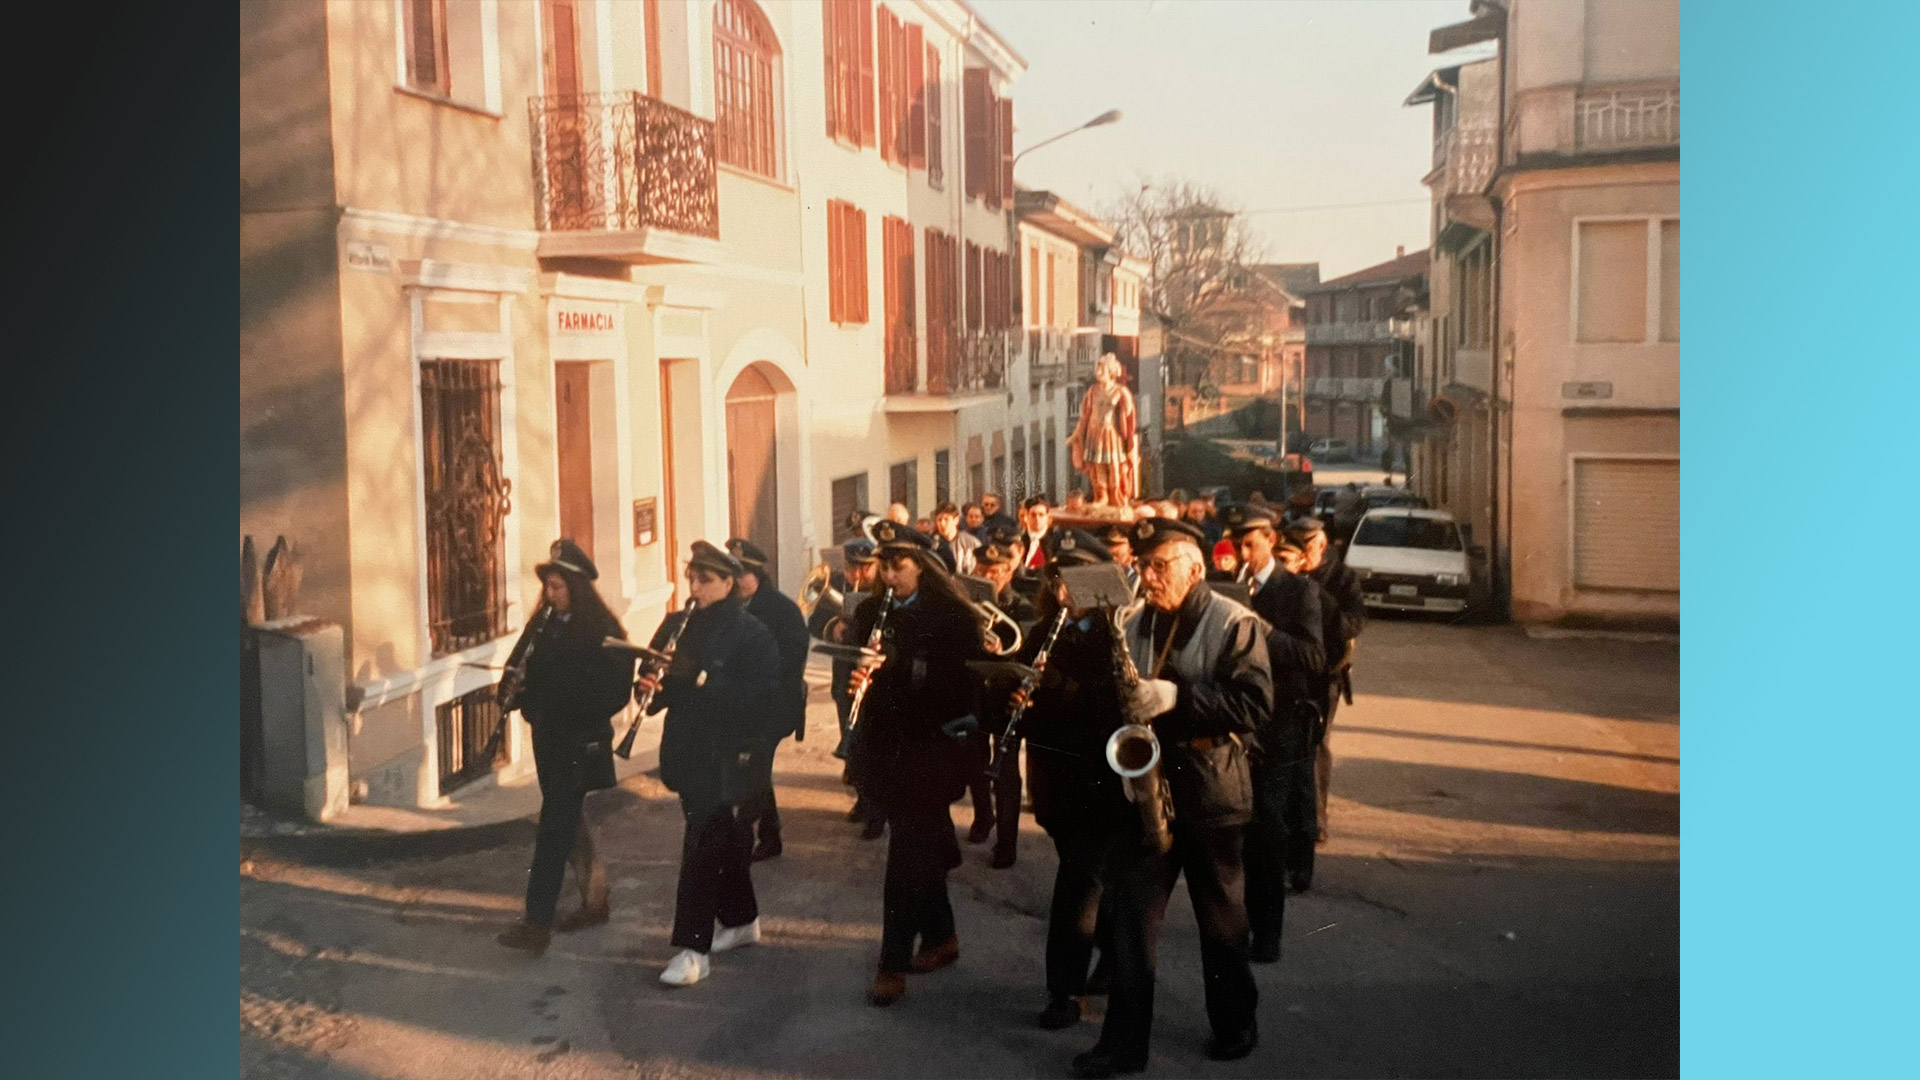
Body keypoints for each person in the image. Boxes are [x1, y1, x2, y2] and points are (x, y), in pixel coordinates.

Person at [1071, 518, 1272, 1079]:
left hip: (1210, 788)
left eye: (1161, 565)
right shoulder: (1134, 620)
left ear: (1196, 568)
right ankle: (1123, 1045)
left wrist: (1175, 697)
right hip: (1147, 790)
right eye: (1144, 565)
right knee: (1132, 922)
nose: (1148, 576)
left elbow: (1255, 705)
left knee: (1222, 920)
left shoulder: (1235, 621)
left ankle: (1235, 1024)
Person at [845, 521, 990, 1006]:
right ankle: (942, 937)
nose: (887, 576)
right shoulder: (870, 611)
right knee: (921, 847)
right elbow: (853, 669)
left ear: (923, 568)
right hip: (885, 749)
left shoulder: (952, 618)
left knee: (904, 857)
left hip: (932, 751)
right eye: (883, 566)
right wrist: (857, 676)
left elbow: (963, 689)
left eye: (898, 566)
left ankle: (891, 963)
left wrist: (902, 667)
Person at [635, 542, 783, 986]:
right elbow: (657, 687)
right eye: (691, 578)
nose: (695, 588)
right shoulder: (677, 624)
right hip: (687, 750)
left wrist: (698, 678)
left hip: (728, 756)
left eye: (705, 580)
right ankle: (741, 921)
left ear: (728, 583)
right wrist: (650, 686)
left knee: (701, 845)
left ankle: (692, 950)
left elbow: (760, 701)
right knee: (722, 840)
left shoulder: (751, 633)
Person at [495, 540, 637, 958]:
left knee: (554, 826)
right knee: (565, 819)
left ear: (576, 586)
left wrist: (566, 700)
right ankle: (596, 902)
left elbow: (615, 691)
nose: (552, 595)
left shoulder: (602, 630)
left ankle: (536, 922)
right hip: (549, 738)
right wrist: (515, 692)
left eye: (559, 587)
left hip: (580, 741)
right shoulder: (545, 622)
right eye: (549, 587)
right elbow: (520, 666)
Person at [1009, 529, 1127, 1031]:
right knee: (1090, 881)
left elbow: (1115, 706)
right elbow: (1034, 716)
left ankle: (1066, 991)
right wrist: (1016, 702)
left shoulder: (1115, 636)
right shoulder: (1042, 632)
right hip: (1054, 780)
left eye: (1073, 581)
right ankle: (1115, 956)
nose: (1062, 592)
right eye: (1057, 580)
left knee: (1078, 885)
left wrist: (1061, 687)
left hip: (1099, 780)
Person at [1224, 506, 1326, 963]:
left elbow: (1312, 657)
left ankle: (1267, 934)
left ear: (1271, 539)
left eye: (1252, 544)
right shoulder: (1227, 588)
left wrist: (1263, 633)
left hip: (1280, 726)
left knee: (1267, 830)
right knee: (1235, 830)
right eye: (1239, 546)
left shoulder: (1298, 591)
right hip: (1236, 722)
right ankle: (1235, 927)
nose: (1245, 554)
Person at [1286, 515, 1366, 889]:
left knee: (1315, 746)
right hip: (1290, 671)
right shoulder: (1287, 571)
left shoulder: (1342, 577)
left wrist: (1316, 595)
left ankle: (1316, 820)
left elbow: (1353, 624)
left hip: (1326, 674)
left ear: (1323, 542)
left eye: (1312, 542)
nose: (1307, 549)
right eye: (1300, 542)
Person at [725, 538, 811, 862]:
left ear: (758, 575)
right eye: (731, 574)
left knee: (756, 766)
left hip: (775, 704)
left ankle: (742, 836)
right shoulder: (730, 608)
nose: (736, 581)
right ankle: (770, 833)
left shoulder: (782, 610)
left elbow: (792, 661)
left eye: (742, 573)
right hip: (741, 706)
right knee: (753, 769)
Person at [967, 538, 1036, 865]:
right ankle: (983, 817)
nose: (987, 576)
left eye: (994, 571)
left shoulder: (1022, 608)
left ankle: (1007, 842)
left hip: (1007, 696)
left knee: (1006, 769)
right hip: (975, 694)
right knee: (975, 762)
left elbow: (1028, 655)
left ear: (1008, 571)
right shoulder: (967, 603)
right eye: (981, 569)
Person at [828, 538, 888, 841]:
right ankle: (864, 802)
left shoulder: (883, 595)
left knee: (872, 746)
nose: (858, 575)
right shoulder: (838, 585)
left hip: (873, 681)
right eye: (853, 568)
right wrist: (833, 627)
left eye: (865, 568)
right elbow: (816, 619)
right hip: (844, 678)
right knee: (853, 744)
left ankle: (876, 813)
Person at [1069, 353, 1140, 507]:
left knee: (1114, 465)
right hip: (1094, 434)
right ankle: (1101, 495)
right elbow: (1084, 415)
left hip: (1111, 435)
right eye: (1097, 368)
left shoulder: (1120, 391)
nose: (1098, 372)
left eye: (1101, 369)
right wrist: (1078, 434)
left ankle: (1116, 495)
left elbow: (1129, 416)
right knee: (1097, 466)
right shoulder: (1092, 391)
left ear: (1111, 372)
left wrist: (1129, 439)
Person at [931, 501, 981, 576]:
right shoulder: (932, 543)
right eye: (939, 520)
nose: (942, 523)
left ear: (956, 520)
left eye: (946, 519)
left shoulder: (971, 542)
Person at [1019, 494, 1055, 575]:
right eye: (1033, 515)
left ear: (1048, 517)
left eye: (1041, 515)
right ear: (1027, 517)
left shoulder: (1055, 540)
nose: (1037, 519)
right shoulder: (1020, 540)